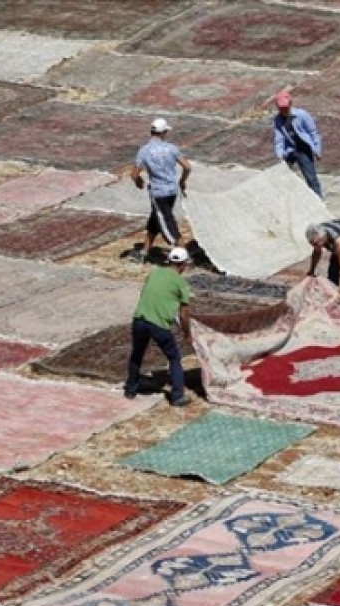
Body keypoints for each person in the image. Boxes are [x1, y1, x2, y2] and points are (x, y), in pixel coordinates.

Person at [125, 246, 193, 407]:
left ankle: (130, 389)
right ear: (183, 264)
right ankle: (177, 396)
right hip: (159, 325)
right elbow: (184, 315)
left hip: (139, 320)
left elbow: (146, 294)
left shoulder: (154, 272)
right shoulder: (181, 284)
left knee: (136, 354)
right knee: (174, 358)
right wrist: (187, 334)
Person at [126, 117, 191, 259]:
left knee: (168, 222)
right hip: (172, 191)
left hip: (158, 192)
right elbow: (187, 166)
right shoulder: (171, 148)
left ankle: (183, 252)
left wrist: (139, 181)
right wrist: (182, 181)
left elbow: (134, 174)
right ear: (164, 132)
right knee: (156, 219)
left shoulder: (144, 151)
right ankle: (145, 251)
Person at [272, 90, 323, 200]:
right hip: (290, 150)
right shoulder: (278, 120)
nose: (283, 110)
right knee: (282, 174)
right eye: (281, 108)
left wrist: (317, 150)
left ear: (290, 103)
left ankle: (318, 200)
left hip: (304, 149)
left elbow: (313, 132)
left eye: (285, 107)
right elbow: (279, 139)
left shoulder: (302, 115)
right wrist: (280, 154)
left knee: (311, 178)